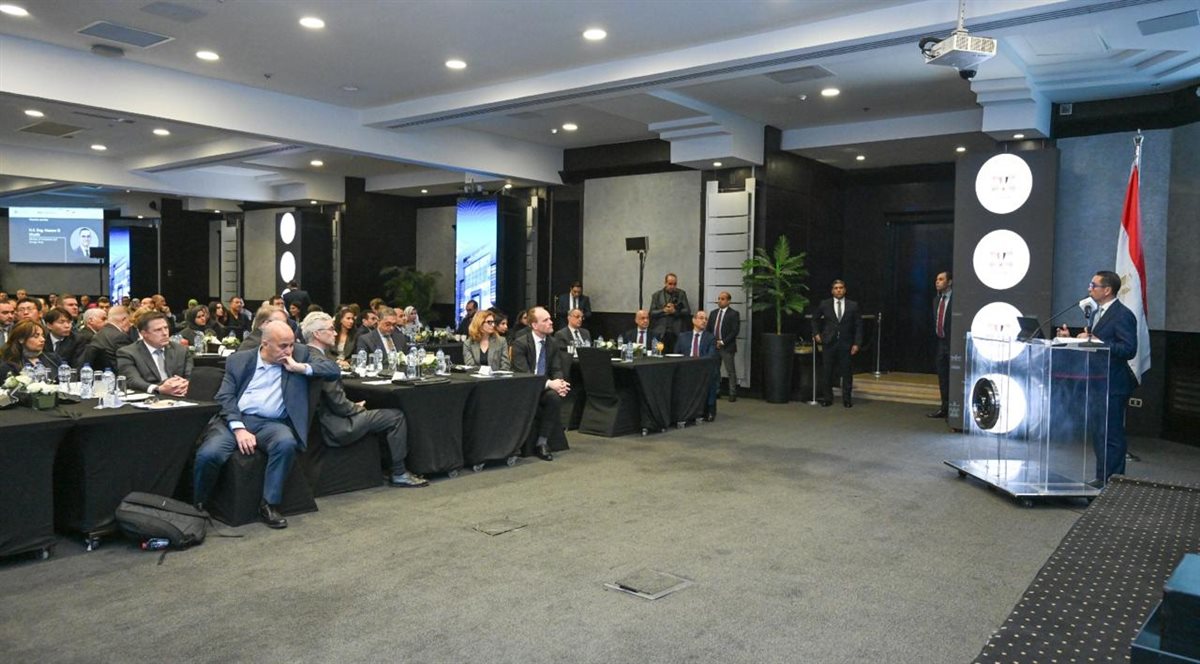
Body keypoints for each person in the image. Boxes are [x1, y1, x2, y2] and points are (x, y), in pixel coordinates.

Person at [192, 320, 340, 528]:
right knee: (210, 454)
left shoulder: (300, 354)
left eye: (291, 344)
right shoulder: (240, 360)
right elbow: (225, 397)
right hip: (235, 419)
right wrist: (239, 428)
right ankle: (199, 504)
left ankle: (269, 504)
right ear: (265, 344)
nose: (288, 351)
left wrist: (300, 368)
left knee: (285, 442)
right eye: (283, 346)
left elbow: (333, 370)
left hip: (270, 423)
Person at [301, 313, 428, 487]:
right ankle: (399, 472)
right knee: (395, 417)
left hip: (316, 423)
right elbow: (339, 405)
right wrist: (356, 407)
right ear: (317, 334)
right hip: (335, 425)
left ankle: (385, 466)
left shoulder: (303, 356)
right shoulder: (323, 363)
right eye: (331, 329)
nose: (335, 333)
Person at [1057, 270, 1139, 485]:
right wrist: (1071, 339)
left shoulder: (1122, 314)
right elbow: (1094, 343)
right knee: (1099, 433)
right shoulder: (1096, 312)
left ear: (1107, 290)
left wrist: (1097, 341)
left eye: (1093, 285)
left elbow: (1129, 349)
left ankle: (1114, 481)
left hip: (1113, 382)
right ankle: (1102, 477)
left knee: (1111, 435)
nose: (1089, 289)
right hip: (1096, 381)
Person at [510, 306, 570, 461]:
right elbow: (525, 375)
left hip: (543, 387)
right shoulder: (520, 343)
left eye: (550, 318)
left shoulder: (553, 343)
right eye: (546, 320)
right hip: (525, 388)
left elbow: (557, 368)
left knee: (554, 398)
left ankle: (542, 442)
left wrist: (560, 383)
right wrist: (550, 383)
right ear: (534, 325)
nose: (551, 322)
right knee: (549, 390)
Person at [812, 279, 863, 408]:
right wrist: (816, 333)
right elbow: (815, 319)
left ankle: (847, 399)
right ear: (832, 291)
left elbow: (858, 326)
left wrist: (857, 343)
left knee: (846, 372)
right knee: (827, 371)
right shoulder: (824, 304)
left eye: (841, 288)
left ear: (844, 290)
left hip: (846, 343)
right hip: (829, 342)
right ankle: (827, 398)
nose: (838, 290)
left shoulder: (853, 305)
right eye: (836, 288)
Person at [117, 312, 193, 396]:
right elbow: (133, 380)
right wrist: (158, 389)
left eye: (166, 328)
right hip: (150, 397)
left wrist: (184, 385)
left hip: (180, 395)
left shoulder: (181, 350)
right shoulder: (128, 353)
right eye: (158, 330)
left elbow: (191, 376)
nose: (165, 333)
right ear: (144, 334)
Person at [676, 310, 719, 421]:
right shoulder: (683, 336)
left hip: (702, 369)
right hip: (685, 368)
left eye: (706, 319)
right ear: (694, 320)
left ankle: (709, 409)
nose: (704, 321)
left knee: (713, 374)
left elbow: (711, 356)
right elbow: (676, 354)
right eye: (701, 318)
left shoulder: (710, 338)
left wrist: (695, 364)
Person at [707, 291, 741, 402]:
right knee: (715, 370)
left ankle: (732, 393)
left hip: (727, 346)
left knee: (730, 370)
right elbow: (709, 329)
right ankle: (716, 391)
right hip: (714, 346)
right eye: (719, 298)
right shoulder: (713, 313)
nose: (719, 301)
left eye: (722, 299)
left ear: (728, 301)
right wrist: (712, 342)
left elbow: (734, 331)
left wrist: (722, 342)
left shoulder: (733, 314)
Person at [928, 271, 953, 419]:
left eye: (941, 279)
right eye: (936, 279)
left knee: (953, 376)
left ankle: (954, 410)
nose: (937, 282)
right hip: (941, 342)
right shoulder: (936, 300)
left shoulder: (957, 300)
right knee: (942, 376)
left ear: (949, 282)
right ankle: (944, 407)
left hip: (954, 343)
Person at [649, 273, 691, 350]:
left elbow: (687, 311)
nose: (672, 286)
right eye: (670, 284)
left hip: (677, 330)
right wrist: (664, 310)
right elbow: (652, 312)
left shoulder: (681, 294)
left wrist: (675, 311)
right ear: (665, 283)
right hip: (661, 330)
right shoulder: (657, 295)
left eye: (675, 284)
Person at [86, 305, 134, 371]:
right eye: (130, 321)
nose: (130, 324)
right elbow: (128, 364)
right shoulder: (120, 337)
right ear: (123, 319)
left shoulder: (98, 334)